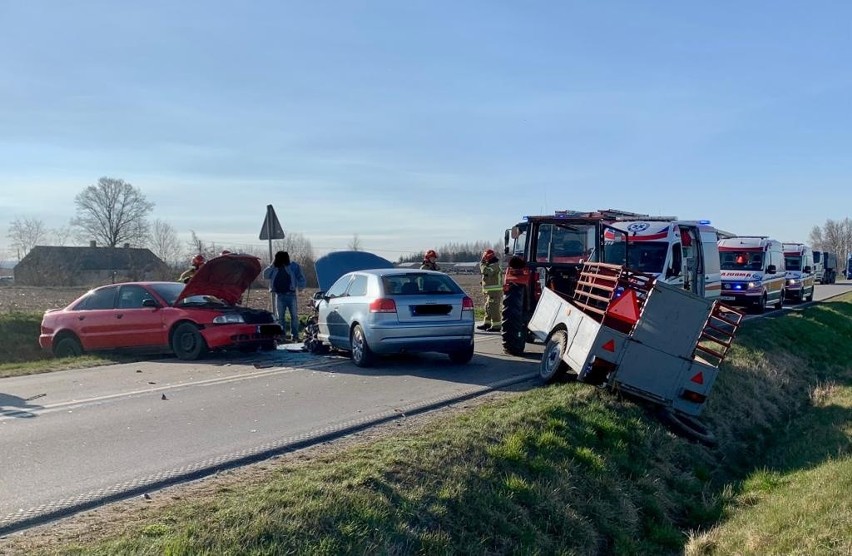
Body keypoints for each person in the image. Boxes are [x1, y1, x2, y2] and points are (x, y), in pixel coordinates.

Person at [263, 251, 307, 341]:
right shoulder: (275, 267)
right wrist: (272, 265)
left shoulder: (293, 266)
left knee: (294, 316)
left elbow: (301, 276)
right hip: (279, 295)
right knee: (280, 318)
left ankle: (294, 336)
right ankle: (281, 336)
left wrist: (301, 286)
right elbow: (265, 275)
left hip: (291, 295)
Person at [477, 249, 503, 332]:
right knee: (488, 307)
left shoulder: (495, 265)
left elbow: (486, 272)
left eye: (485, 258)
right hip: (490, 292)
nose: (484, 260)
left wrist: (481, 264)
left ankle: (496, 326)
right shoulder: (491, 265)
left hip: (495, 292)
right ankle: (487, 324)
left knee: (494, 308)